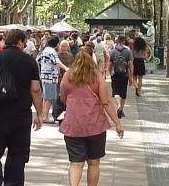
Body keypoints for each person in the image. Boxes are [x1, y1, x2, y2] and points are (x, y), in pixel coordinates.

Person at [0, 29, 43, 186]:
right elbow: (35, 89)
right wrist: (39, 113)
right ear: (20, 42)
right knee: (18, 154)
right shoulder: (30, 62)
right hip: (20, 116)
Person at [59, 49, 124, 186]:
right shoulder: (97, 77)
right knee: (94, 163)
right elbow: (106, 102)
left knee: (76, 163)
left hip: (73, 125)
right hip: (95, 126)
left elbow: (62, 98)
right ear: (92, 60)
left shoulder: (68, 75)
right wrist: (117, 123)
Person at [37, 36, 68, 123]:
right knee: (49, 98)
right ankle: (45, 117)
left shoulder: (44, 51)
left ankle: (44, 115)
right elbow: (57, 61)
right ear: (56, 44)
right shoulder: (52, 51)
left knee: (45, 97)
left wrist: (41, 71)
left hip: (44, 76)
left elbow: (37, 60)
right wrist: (65, 68)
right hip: (50, 77)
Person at [108, 35, 134, 119]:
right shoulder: (128, 51)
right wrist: (131, 76)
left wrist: (109, 73)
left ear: (117, 41)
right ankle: (121, 109)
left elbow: (110, 64)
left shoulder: (112, 51)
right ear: (124, 41)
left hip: (115, 74)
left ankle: (118, 106)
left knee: (116, 92)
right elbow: (130, 64)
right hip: (124, 74)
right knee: (123, 93)